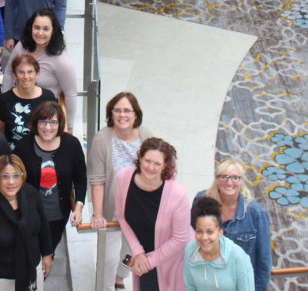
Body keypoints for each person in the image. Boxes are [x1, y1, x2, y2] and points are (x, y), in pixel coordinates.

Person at [88, 92, 154, 291]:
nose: (122, 115)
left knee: (131, 253)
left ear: (136, 114)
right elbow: (97, 180)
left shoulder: (146, 136)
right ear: (111, 113)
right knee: (108, 258)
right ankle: (105, 286)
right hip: (113, 211)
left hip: (139, 211)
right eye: (117, 110)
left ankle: (120, 276)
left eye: (127, 110)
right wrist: (98, 214)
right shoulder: (102, 139)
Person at [115, 137, 192, 291]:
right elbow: (121, 217)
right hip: (143, 258)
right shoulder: (123, 178)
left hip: (172, 260)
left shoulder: (177, 194)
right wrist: (138, 252)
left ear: (165, 167)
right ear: (140, 159)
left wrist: (149, 262)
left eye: (157, 163)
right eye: (147, 161)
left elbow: (180, 238)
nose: (151, 167)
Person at [0, 155, 54, 291]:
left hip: (32, 270)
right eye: (5, 176)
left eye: (16, 175)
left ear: (22, 176)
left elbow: (43, 225)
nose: (11, 182)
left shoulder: (31, 194)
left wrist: (47, 254)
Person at [14, 101, 86, 251]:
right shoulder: (23, 146)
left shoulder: (71, 144)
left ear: (60, 124)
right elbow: (14, 181)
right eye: (43, 122)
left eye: (53, 122)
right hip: (29, 215)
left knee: (48, 253)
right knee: (30, 254)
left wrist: (78, 208)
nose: (47, 128)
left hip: (58, 216)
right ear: (36, 123)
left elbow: (80, 179)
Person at [193, 159, 271, 291]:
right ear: (217, 180)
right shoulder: (202, 201)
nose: (229, 182)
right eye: (224, 177)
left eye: (235, 178)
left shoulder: (256, 213)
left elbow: (263, 263)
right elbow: (192, 233)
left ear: (241, 181)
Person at [3, 8, 77, 133]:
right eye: (36, 27)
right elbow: (9, 73)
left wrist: (69, 128)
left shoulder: (61, 60)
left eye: (45, 29)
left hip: (45, 120)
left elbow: (71, 94)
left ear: (53, 31)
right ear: (31, 28)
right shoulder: (21, 46)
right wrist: (4, 103)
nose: (40, 33)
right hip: (17, 113)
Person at [184, 197, 255, 291]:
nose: (204, 237)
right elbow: (190, 288)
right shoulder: (190, 251)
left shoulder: (238, 257)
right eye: (199, 231)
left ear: (220, 232)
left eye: (210, 232)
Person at [0, 54, 57, 149]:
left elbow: (55, 128)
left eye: (30, 72)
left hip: (41, 152)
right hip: (14, 157)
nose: (26, 77)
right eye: (21, 72)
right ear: (14, 75)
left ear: (37, 74)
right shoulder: (4, 100)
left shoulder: (48, 97)